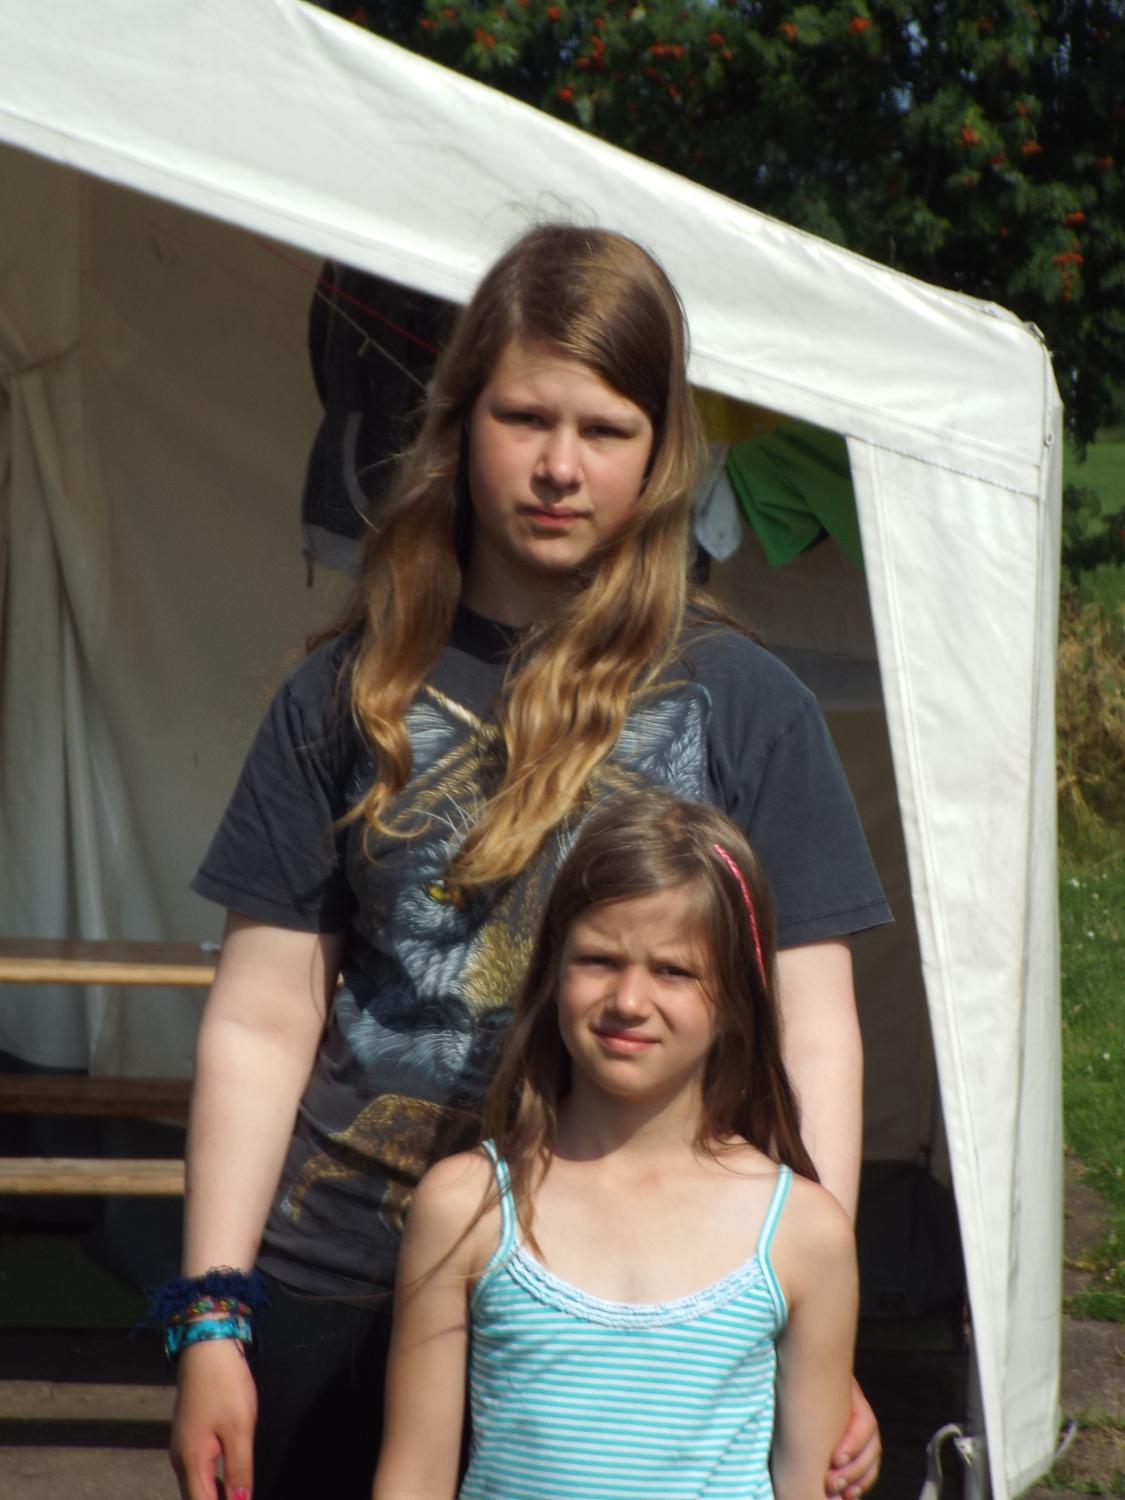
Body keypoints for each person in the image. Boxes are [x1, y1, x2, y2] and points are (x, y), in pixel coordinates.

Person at [165, 223, 890, 1500]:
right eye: (524, 418)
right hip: (341, 1280)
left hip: (626, 1310)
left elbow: (811, 1032)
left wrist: (805, 1310)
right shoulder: (343, 695)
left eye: (606, 429)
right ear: (459, 424)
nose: (561, 466)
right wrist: (212, 1318)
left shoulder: (747, 707)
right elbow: (262, 1020)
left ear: (662, 451)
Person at [374, 791, 858, 1500]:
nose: (628, 1000)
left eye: (674, 971)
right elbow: (414, 1477)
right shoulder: (464, 1206)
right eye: (599, 960)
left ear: (736, 999)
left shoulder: (804, 1232)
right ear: (551, 973)